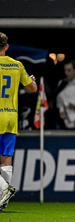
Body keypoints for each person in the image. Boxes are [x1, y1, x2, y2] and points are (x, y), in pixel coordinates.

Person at [0, 32, 37, 211]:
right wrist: (32, 80)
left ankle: (4, 190)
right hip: (10, 118)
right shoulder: (17, 65)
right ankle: (2, 199)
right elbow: (33, 88)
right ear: (6, 47)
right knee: (6, 158)